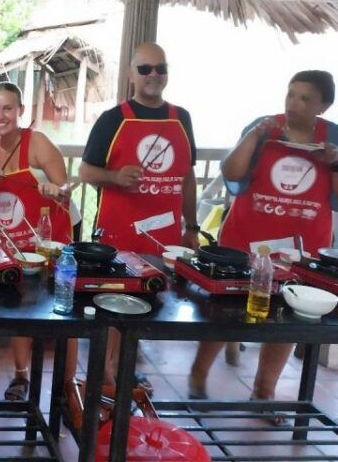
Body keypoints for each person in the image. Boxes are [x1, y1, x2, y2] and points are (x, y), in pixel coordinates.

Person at [189, 71, 338, 420]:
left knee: (287, 318)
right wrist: (255, 135)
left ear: (323, 105)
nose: (294, 104)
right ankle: (198, 376)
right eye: (291, 94)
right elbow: (234, 171)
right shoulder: (264, 127)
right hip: (246, 239)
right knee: (223, 312)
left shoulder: (332, 137)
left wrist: (334, 162)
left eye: (305, 98)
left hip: (300, 247)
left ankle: (264, 392)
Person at [79, 42, 199, 388]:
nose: (154, 75)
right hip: (118, 235)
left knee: (147, 304)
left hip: (164, 238)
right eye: (145, 69)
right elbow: (86, 171)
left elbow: (187, 177)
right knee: (114, 305)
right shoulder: (113, 118)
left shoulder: (182, 117)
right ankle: (105, 377)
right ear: (131, 74)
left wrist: (191, 226)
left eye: (160, 68)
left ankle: (125, 367)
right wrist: (115, 177)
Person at [0, 81, 82, 401]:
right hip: (15, 241)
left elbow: (63, 190)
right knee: (19, 307)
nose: (1, 115)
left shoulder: (37, 143)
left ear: (20, 111)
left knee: (65, 309)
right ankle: (21, 377)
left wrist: (53, 187)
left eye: (8, 108)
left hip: (52, 239)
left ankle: (67, 383)